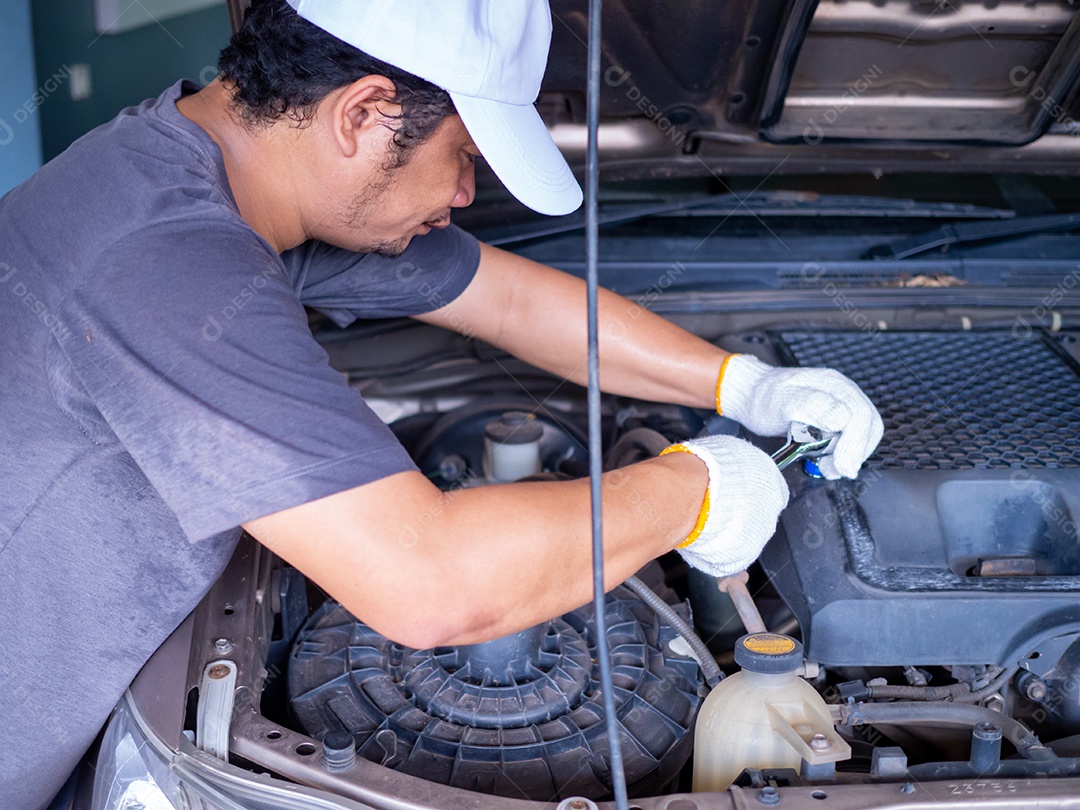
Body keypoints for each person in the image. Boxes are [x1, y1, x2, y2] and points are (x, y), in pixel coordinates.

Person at [0, 1, 883, 807]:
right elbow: (427, 585)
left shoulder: (218, 173)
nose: (466, 195)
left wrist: (742, 385)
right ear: (363, 113)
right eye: (462, 155)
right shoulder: (167, 263)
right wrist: (695, 489)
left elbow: (505, 300)